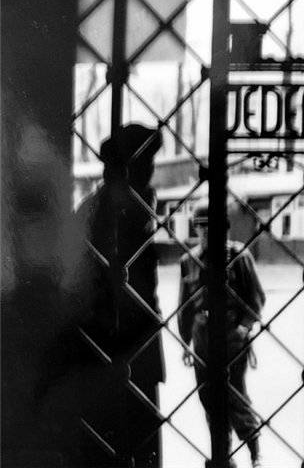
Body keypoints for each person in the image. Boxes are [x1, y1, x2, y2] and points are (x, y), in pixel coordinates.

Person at [75, 124, 165, 467]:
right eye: (145, 164)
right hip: (109, 351)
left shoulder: (132, 208)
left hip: (132, 352)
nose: (151, 173)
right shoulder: (104, 215)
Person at [178, 202, 265, 468]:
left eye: (211, 227)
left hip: (231, 336)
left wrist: (244, 327)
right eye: (200, 227)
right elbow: (185, 306)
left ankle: (255, 451)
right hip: (202, 337)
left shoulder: (239, 256)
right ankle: (223, 455)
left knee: (234, 395)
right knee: (208, 397)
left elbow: (256, 298)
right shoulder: (189, 260)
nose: (206, 232)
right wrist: (185, 343)